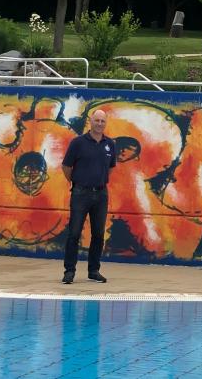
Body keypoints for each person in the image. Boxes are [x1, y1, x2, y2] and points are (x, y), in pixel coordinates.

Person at [61, 109, 116, 284]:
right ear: (90, 122)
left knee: (98, 234)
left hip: (101, 194)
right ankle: (69, 271)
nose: (99, 124)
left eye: (103, 121)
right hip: (80, 194)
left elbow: (111, 167)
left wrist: (99, 179)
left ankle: (94, 270)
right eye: (97, 120)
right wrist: (77, 182)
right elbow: (66, 166)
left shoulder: (110, 144)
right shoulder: (78, 143)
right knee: (74, 233)